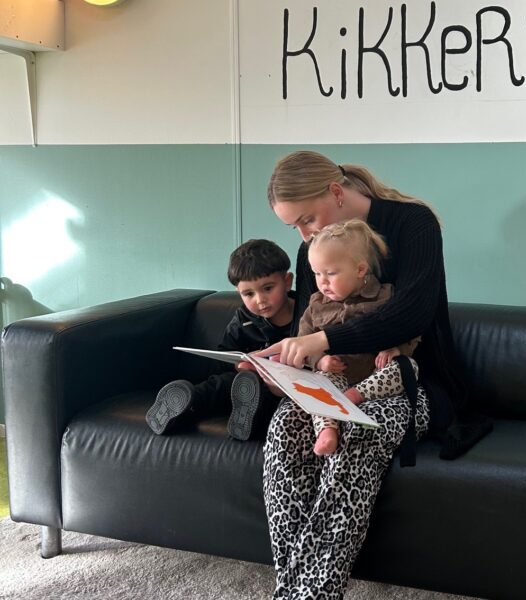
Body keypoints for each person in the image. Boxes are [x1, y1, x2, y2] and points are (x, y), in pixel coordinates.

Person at [256, 151, 492, 599]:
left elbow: (412, 314)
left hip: (411, 382)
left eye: (307, 219)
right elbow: (308, 325)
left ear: (336, 192)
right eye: (295, 228)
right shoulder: (313, 249)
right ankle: (296, 593)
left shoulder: (413, 224)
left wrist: (324, 341)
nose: (305, 235)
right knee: (286, 426)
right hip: (337, 383)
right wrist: (283, 366)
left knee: (359, 430)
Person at [145, 239, 294, 440]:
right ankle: (188, 401)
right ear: (239, 293)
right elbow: (224, 356)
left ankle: (248, 416)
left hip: (282, 388)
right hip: (244, 382)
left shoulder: (307, 314)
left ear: (287, 281)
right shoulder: (243, 318)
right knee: (224, 383)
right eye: (249, 294)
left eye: (268, 288)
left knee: (264, 392)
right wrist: (241, 365)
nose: (260, 300)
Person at [299, 218, 420, 456]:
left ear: (360, 270)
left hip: (375, 377)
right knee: (319, 383)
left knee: (407, 367)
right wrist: (319, 360)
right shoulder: (316, 305)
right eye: (317, 273)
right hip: (337, 375)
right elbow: (303, 340)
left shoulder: (386, 296)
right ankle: (328, 429)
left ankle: (352, 397)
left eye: (331, 273)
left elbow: (411, 328)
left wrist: (396, 349)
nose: (322, 282)